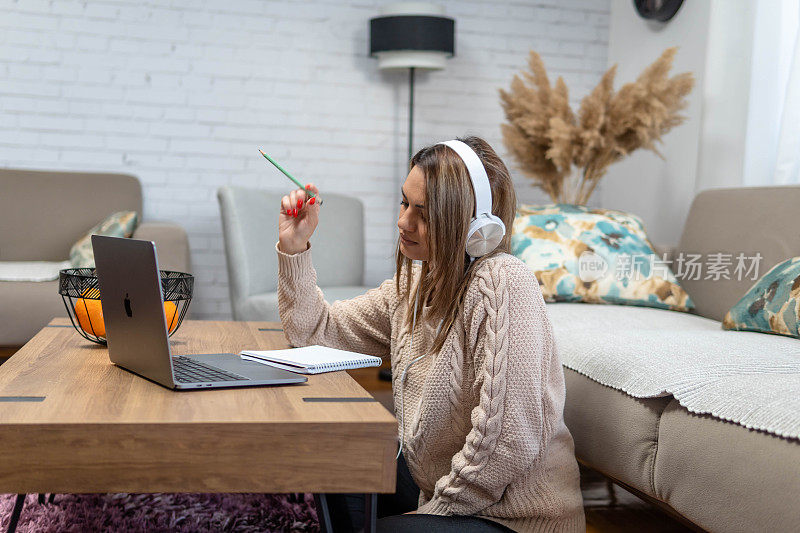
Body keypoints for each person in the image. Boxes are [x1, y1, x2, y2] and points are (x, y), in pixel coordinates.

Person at [275, 137, 585, 532]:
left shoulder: (503, 282)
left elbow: (507, 444)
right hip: (437, 485)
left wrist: (431, 514)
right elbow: (316, 330)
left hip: (517, 517)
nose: (403, 222)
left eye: (424, 213)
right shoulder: (417, 285)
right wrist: (295, 246)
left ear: (475, 226)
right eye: (404, 203)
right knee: (340, 456)